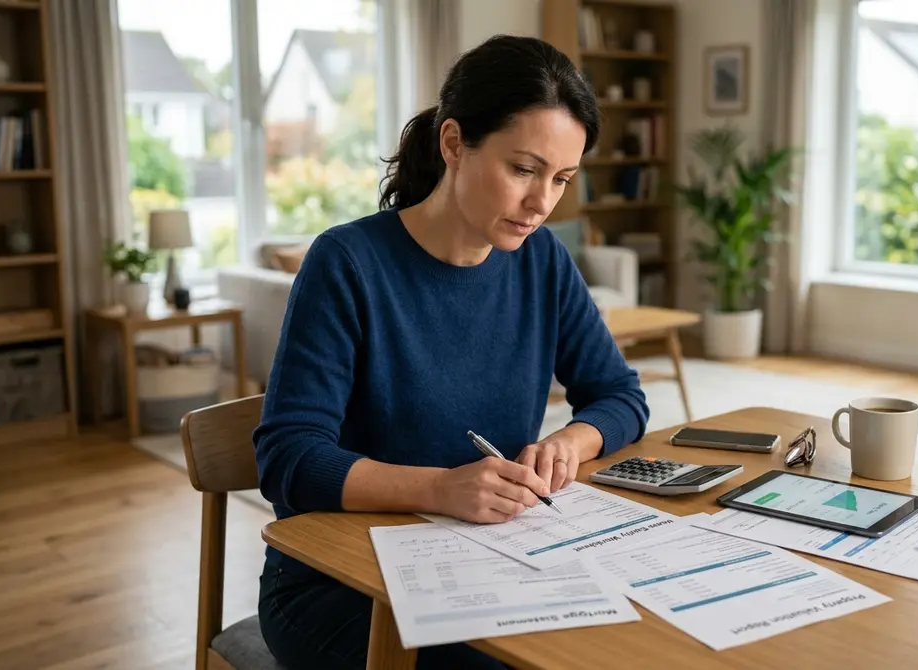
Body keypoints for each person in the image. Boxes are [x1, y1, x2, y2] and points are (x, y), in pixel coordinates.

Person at [253, 34, 650, 669]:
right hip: (341, 581)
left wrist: (568, 445)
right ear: (454, 143)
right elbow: (288, 459)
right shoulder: (347, 263)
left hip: (489, 560)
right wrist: (440, 488)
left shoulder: (542, 261)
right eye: (523, 170)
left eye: (561, 179)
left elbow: (619, 396)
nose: (541, 203)